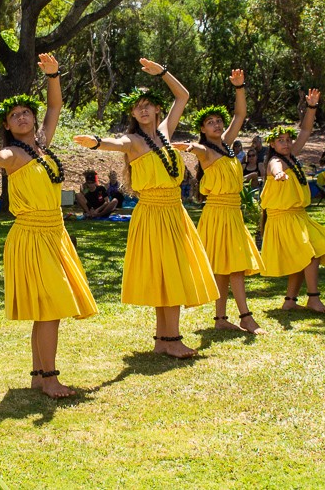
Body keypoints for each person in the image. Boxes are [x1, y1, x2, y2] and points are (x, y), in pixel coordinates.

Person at [0, 54, 97, 397]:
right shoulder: (15, 154)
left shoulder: (42, 147)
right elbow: (1, 157)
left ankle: (40, 375)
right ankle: (50, 378)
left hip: (54, 233)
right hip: (32, 235)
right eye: (14, 115)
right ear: (7, 126)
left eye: (26, 113)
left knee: (46, 310)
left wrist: (53, 74)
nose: (21, 117)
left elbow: (55, 108)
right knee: (50, 307)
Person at [73, 58, 218, 358]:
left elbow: (183, 96)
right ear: (132, 114)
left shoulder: (166, 131)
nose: (142, 109)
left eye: (147, 104)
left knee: (172, 273)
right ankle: (171, 339)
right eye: (136, 106)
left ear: (156, 109)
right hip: (152, 213)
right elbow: (116, 143)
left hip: (174, 211)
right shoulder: (134, 140)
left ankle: (164, 340)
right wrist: (97, 142)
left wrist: (163, 72)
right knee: (166, 274)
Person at [179, 69, 265, 334]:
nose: (216, 125)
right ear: (203, 130)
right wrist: (191, 148)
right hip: (217, 213)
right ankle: (246, 317)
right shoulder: (206, 151)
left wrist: (239, 87)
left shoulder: (226, 145)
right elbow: (198, 149)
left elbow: (239, 115)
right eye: (210, 122)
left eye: (219, 121)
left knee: (227, 269)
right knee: (233, 267)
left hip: (233, 213)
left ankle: (220, 319)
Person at [260, 89, 325, 314]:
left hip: (299, 215)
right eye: (281, 141)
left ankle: (290, 300)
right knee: (310, 254)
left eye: (288, 140)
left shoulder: (291, 156)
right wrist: (278, 174)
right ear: (273, 145)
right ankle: (314, 298)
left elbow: (306, 129)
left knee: (304, 256)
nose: (287, 144)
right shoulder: (276, 162)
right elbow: (275, 168)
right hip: (284, 217)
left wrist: (312, 107)